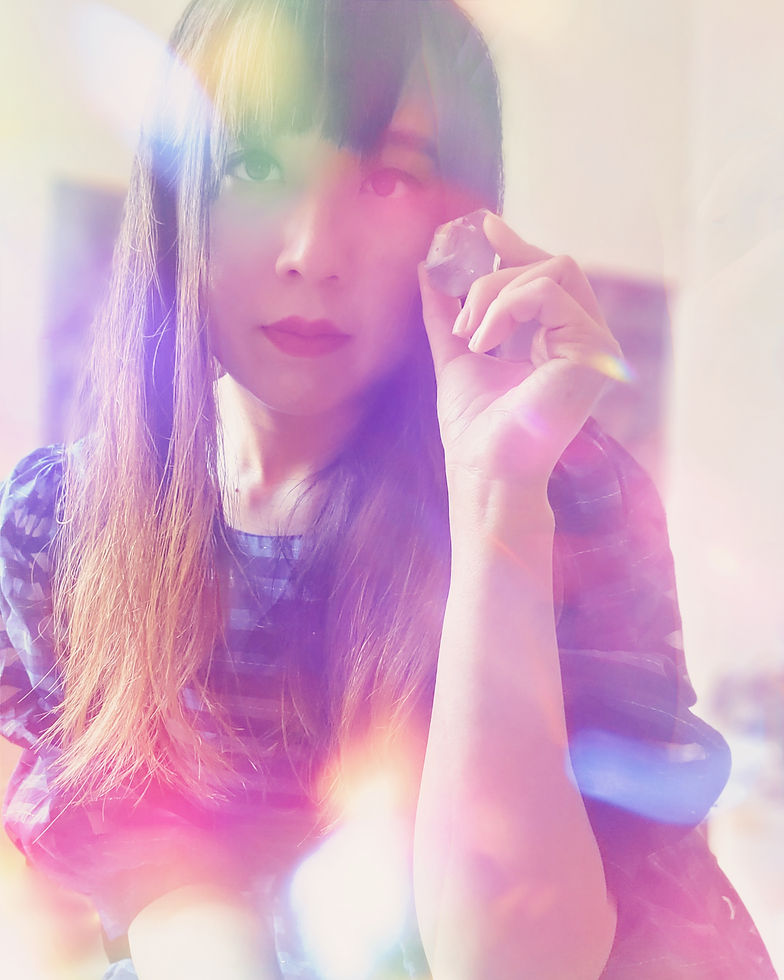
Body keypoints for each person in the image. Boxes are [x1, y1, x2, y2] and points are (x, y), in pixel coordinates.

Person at [0, 1, 773, 978]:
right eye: (255, 167)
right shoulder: (61, 525)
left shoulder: (563, 490)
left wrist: (497, 497)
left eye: (388, 178)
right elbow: (108, 874)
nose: (312, 253)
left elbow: (518, 960)